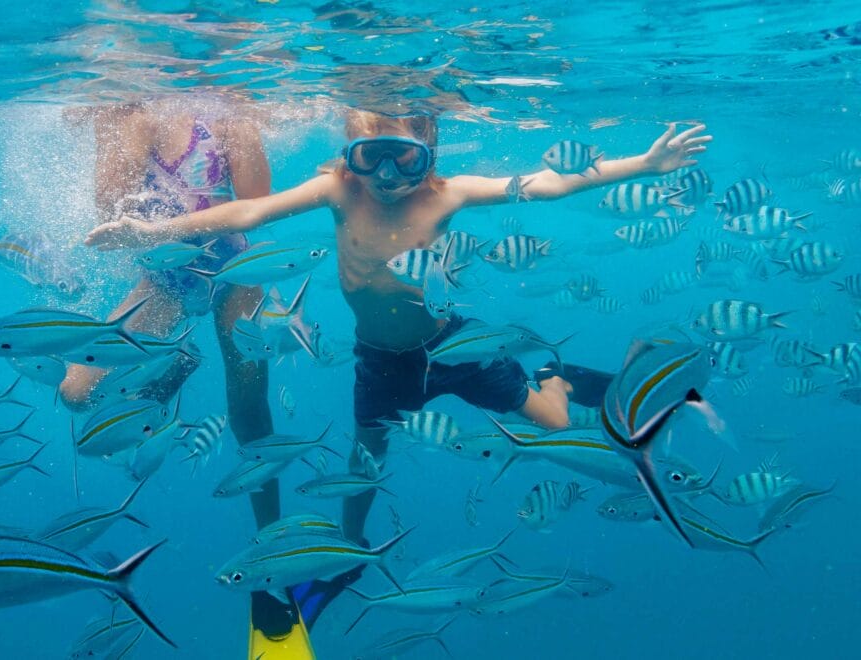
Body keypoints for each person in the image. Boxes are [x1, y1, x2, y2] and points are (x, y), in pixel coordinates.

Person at [85, 108, 711, 619]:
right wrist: (147, 233)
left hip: (455, 348)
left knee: (554, 426)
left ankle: (558, 377)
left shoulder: (450, 194)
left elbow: (545, 184)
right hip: (381, 362)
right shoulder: (337, 189)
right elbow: (248, 213)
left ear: (430, 151)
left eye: (403, 157)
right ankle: (348, 554)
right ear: (349, 155)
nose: (385, 173)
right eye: (369, 156)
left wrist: (644, 164)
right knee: (364, 473)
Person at [60, 99, 280, 530]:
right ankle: (174, 362)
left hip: (233, 266)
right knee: (77, 391)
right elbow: (108, 209)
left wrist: (244, 122)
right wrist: (114, 123)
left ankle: (271, 534)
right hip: (168, 278)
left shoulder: (223, 113)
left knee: (249, 409)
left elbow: (258, 203)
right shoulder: (129, 114)